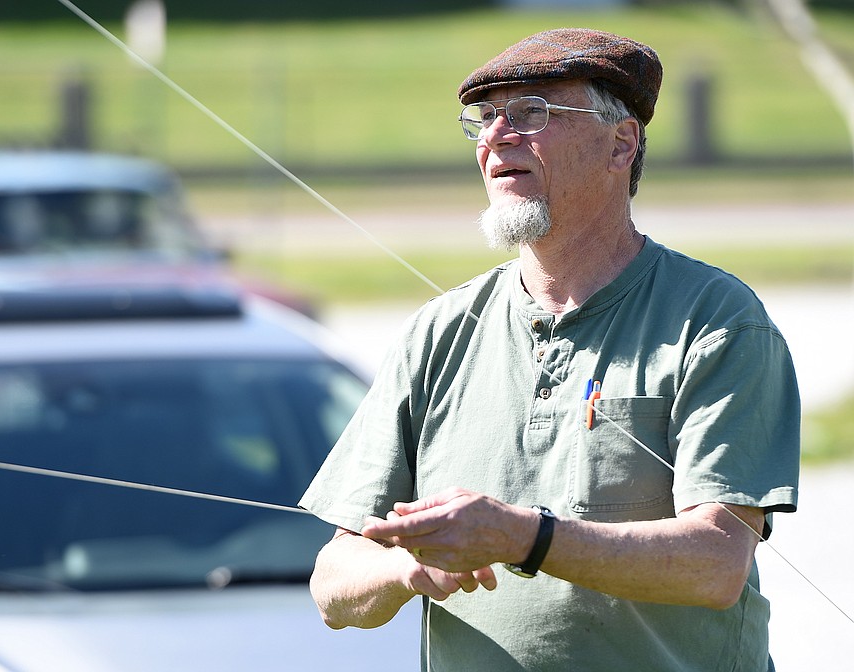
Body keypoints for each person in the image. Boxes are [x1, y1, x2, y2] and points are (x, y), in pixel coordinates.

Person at [298, 27, 801, 671]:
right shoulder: (437, 331)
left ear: (621, 143)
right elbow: (334, 583)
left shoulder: (716, 320)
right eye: (485, 117)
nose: (496, 136)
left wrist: (524, 538)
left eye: (532, 113)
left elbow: (715, 563)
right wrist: (407, 570)